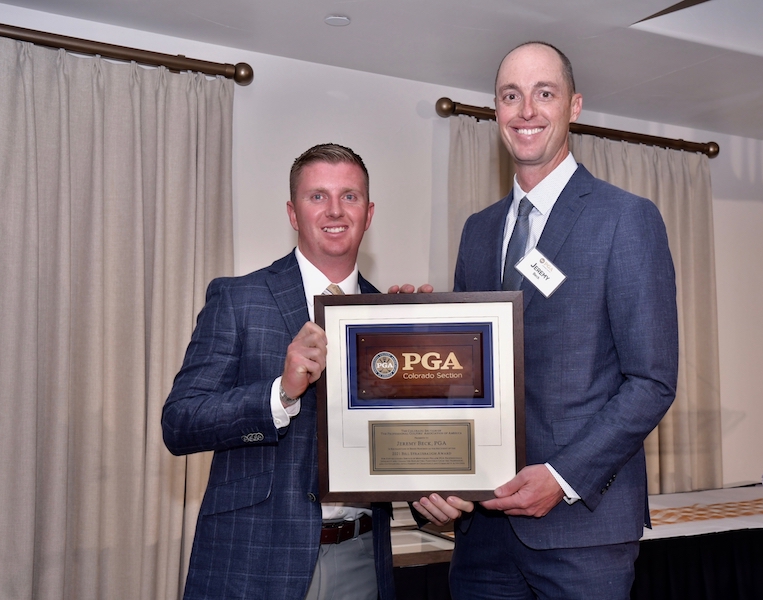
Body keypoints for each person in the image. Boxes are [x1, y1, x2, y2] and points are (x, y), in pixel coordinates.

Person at [413, 42, 679, 599]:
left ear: (574, 106)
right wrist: (437, 473)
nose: (526, 110)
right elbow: (468, 377)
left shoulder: (626, 219)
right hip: (482, 533)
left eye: (544, 93)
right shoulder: (478, 231)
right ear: (495, 111)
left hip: (583, 531)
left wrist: (560, 478)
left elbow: (651, 381)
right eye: (511, 96)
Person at [163, 143, 425, 600]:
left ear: (369, 212)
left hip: (362, 558)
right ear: (292, 211)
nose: (335, 210)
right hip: (251, 561)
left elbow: (404, 440)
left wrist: (432, 345)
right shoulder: (238, 298)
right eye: (317, 196)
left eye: (350, 196)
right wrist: (279, 395)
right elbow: (180, 423)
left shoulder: (390, 316)